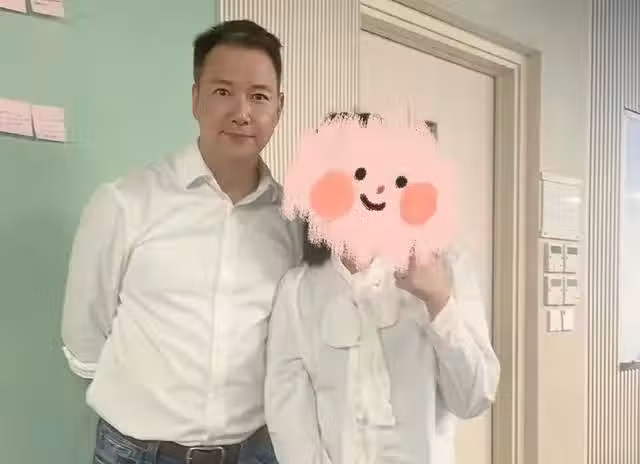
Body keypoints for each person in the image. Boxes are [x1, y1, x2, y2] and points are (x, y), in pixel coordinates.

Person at [61, 19, 300, 464]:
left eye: (259, 96)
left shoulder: (292, 222)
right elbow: (84, 338)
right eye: (223, 91)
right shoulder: (125, 203)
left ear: (279, 107)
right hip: (137, 453)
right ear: (195, 98)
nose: (242, 112)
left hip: (255, 451)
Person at [265, 112, 500, 464]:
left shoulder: (446, 266)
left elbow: (473, 399)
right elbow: (289, 419)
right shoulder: (297, 292)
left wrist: (438, 300)